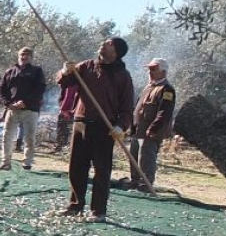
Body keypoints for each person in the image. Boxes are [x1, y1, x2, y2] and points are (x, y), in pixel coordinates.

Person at [55, 37, 134, 223]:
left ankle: (98, 211)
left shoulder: (123, 76)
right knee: (76, 167)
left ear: (116, 52)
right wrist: (65, 71)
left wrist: (121, 126)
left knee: (102, 170)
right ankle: (75, 205)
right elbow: (64, 82)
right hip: (81, 122)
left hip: (105, 127)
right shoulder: (86, 66)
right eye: (104, 42)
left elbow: (127, 107)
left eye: (108, 44)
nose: (103, 44)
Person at [129, 58, 175, 191]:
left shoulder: (167, 89)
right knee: (134, 154)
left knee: (146, 157)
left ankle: (145, 185)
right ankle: (134, 182)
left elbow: (164, 112)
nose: (150, 72)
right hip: (138, 129)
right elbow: (137, 108)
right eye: (149, 69)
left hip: (150, 131)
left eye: (153, 69)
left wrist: (153, 128)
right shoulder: (149, 87)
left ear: (163, 72)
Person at [0, 47, 46, 171]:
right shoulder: (10, 71)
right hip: (12, 110)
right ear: (18, 56)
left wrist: (25, 102)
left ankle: (27, 163)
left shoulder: (37, 71)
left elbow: (40, 89)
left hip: (30, 110)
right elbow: (1, 89)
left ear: (31, 57)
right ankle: (5, 162)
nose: (24, 57)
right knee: (7, 136)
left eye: (27, 55)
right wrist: (8, 104)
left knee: (29, 138)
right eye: (22, 55)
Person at [55, 84, 79, 152]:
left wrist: (64, 109)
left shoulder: (72, 83)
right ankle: (62, 146)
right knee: (65, 129)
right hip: (73, 110)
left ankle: (62, 147)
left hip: (69, 110)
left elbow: (68, 96)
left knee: (65, 128)